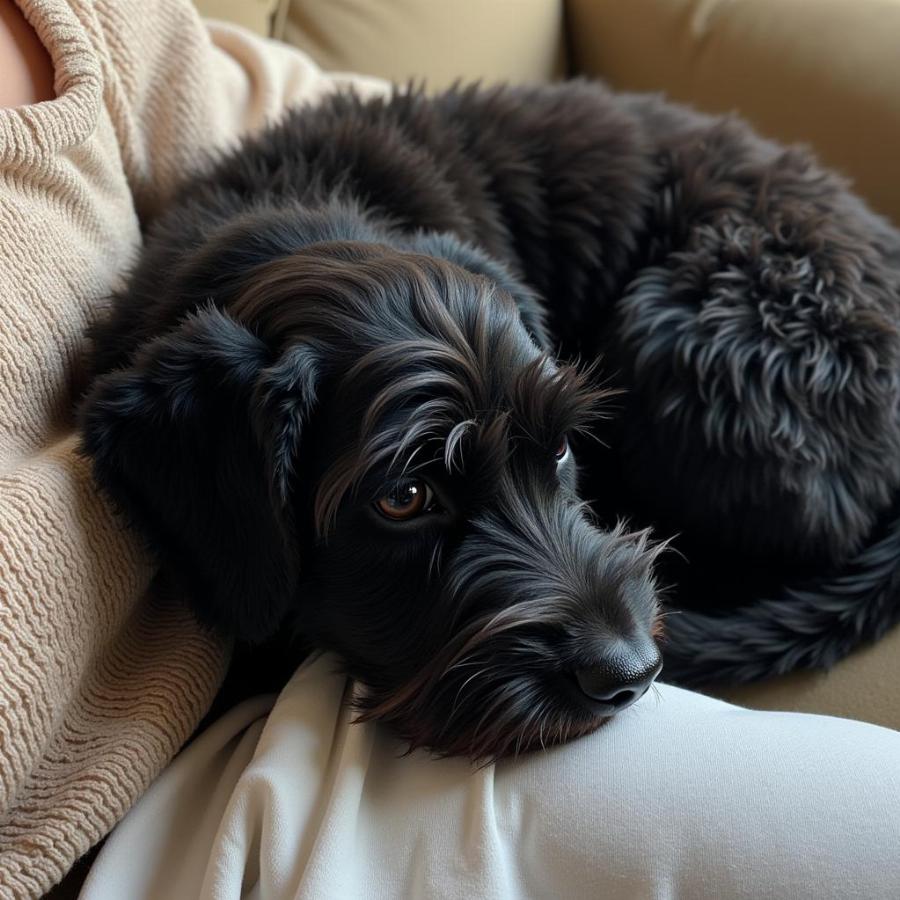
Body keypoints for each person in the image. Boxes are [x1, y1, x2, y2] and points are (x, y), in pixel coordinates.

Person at [0, 1, 898, 897]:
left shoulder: (462, 286)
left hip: (807, 324)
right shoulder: (220, 403)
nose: (626, 653)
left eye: (556, 457)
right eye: (407, 498)